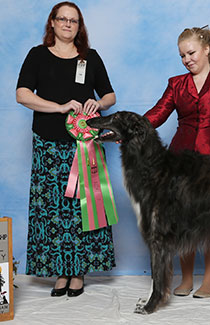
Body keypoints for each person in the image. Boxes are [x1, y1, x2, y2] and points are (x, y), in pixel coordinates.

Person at [16, 1, 116, 297]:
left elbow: (110, 95)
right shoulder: (37, 56)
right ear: (52, 23)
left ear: (79, 25)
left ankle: (79, 272)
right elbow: (22, 94)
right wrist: (59, 108)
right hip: (47, 143)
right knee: (51, 210)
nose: (68, 24)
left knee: (82, 210)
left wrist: (98, 103)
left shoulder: (91, 57)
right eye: (63, 19)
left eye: (74, 20)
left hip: (83, 145)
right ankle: (60, 272)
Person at [144, 26, 210, 298]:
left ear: (207, 49)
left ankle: (209, 280)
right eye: (182, 56)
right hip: (181, 161)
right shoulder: (175, 84)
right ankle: (186, 278)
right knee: (180, 219)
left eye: (191, 53)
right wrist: (132, 128)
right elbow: (157, 113)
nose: (187, 59)